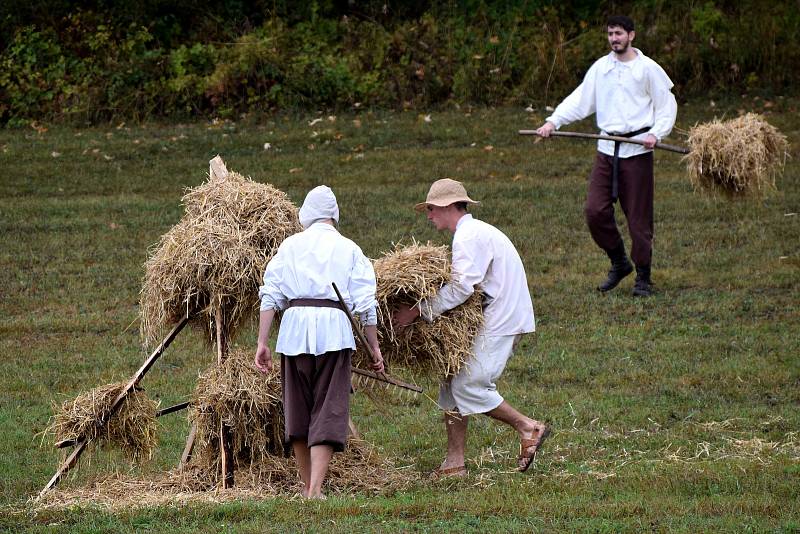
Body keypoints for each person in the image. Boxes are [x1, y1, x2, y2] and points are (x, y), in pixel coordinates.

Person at [392, 178, 548, 475]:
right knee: (451, 382)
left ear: (447, 206)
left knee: (469, 384)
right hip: (495, 312)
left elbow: (463, 286)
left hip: (501, 317)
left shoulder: (469, 236)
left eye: (431, 209)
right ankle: (455, 462)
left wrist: (417, 311)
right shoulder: (473, 233)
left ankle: (528, 427)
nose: (428, 215)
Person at [254, 185, 384, 499]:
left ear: (307, 215)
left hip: (294, 332)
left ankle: (307, 486)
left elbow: (270, 294)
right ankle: (315, 489)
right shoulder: (351, 249)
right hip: (334, 332)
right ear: (333, 216)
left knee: (298, 408)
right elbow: (366, 304)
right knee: (328, 406)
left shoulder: (290, 246)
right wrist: (374, 346)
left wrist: (262, 342)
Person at [535, 15, 678, 297]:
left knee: (638, 219)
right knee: (594, 210)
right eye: (611, 34)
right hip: (606, 152)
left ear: (632, 36)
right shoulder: (601, 69)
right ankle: (619, 261)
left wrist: (656, 134)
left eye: (619, 34)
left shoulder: (648, 69)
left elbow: (666, 104)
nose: (614, 38)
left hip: (637, 150)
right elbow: (580, 99)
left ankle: (644, 277)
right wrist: (553, 122)